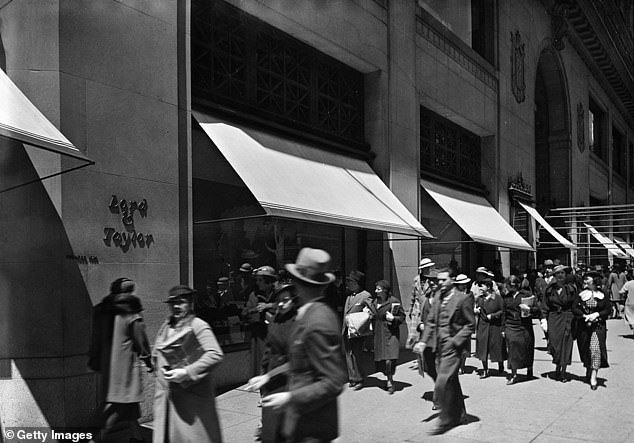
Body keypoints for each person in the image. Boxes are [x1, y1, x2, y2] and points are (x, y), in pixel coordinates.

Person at [261, 248, 346, 443]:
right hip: (300, 422)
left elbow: (334, 381)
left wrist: (290, 398)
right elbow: (302, 364)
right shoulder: (309, 313)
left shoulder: (317, 321)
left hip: (313, 427)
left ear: (298, 283)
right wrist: (269, 377)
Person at [153, 285, 224, 443]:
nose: (176, 307)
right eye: (173, 303)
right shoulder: (167, 324)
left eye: (181, 302)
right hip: (168, 398)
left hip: (191, 400)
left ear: (190, 303)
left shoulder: (198, 325)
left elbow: (215, 354)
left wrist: (186, 372)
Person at [88, 278, 152, 443]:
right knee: (117, 408)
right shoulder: (131, 311)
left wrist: (95, 360)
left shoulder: (102, 310)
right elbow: (141, 341)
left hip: (108, 367)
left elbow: (95, 339)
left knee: (129, 406)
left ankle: (137, 437)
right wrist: (149, 361)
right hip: (125, 369)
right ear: (131, 292)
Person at [420, 271, 475, 435]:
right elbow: (430, 321)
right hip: (439, 346)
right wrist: (423, 341)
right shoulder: (438, 297)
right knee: (451, 380)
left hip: (453, 347)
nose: (440, 282)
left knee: (442, 381)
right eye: (439, 280)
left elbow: (471, 325)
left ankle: (447, 419)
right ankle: (461, 414)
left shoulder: (462, 299)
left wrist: (455, 341)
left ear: (452, 280)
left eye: (444, 280)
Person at [248, 284, 298, 443]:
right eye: (279, 300)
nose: (282, 304)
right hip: (273, 383)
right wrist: (263, 375)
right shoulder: (276, 320)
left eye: (286, 300)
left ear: (294, 301)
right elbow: (269, 352)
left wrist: (267, 376)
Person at [367, 279, 406, 394]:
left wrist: (394, 319)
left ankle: (390, 380)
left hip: (391, 333)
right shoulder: (375, 302)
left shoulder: (393, 301)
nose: (376, 291)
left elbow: (402, 316)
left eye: (378, 289)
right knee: (382, 360)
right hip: (379, 333)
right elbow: (374, 314)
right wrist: (369, 314)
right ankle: (387, 376)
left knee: (390, 358)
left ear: (384, 290)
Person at [573, 273, 610, 390]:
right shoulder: (581, 294)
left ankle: (593, 377)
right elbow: (574, 308)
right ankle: (589, 368)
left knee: (596, 350)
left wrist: (597, 314)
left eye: (587, 278)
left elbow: (607, 309)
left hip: (597, 327)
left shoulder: (603, 294)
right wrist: (583, 315)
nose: (585, 280)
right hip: (584, 327)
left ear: (594, 280)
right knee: (585, 349)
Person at [540, 264, 577, 382]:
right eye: (558, 274)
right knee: (555, 345)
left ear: (565, 275)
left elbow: (575, 305)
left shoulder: (571, 288)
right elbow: (545, 305)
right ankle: (557, 365)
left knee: (566, 344)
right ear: (555, 276)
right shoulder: (550, 289)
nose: (560, 276)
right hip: (554, 318)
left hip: (567, 317)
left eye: (562, 273)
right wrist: (543, 319)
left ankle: (563, 372)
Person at [503, 276, 539, 385]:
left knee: (527, 347)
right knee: (512, 349)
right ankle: (514, 374)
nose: (508, 288)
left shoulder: (526, 295)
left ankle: (529, 368)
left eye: (510, 285)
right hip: (510, 325)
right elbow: (504, 313)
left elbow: (537, 309)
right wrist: (503, 328)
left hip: (524, 325)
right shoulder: (506, 297)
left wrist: (529, 309)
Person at [242, 266, 278, 377]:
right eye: (257, 280)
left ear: (269, 281)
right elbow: (245, 312)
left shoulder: (279, 293)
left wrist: (269, 305)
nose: (257, 283)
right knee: (261, 366)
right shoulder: (254, 295)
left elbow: (289, 305)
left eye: (260, 280)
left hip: (277, 336)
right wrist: (253, 310)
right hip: (260, 336)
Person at [341, 270, 372, 390]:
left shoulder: (365, 295)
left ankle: (360, 378)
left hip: (358, 331)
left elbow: (371, 311)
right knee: (348, 354)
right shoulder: (349, 295)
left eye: (351, 281)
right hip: (346, 329)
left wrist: (366, 313)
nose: (348, 283)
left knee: (356, 354)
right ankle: (352, 378)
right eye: (348, 281)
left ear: (357, 283)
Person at [474, 278, 506, 378]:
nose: (480, 288)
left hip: (495, 326)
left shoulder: (497, 298)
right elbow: (476, 308)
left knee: (497, 346)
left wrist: (493, 316)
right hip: (483, 326)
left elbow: (502, 311)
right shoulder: (479, 299)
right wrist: (476, 310)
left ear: (488, 287)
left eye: (482, 286)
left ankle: (500, 365)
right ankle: (485, 370)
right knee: (483, 347)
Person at [407, 258, 435, 349]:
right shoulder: (416, 280)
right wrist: (411, 310)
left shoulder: (432, 281)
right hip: (417, 309)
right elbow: (413, 295)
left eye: (428, 268)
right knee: (415, 335)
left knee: (425, 334)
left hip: (427, 309)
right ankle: (419, 358)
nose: (427, 270)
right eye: (425, 268)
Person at [453, 274, 474, 374]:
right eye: (461, 284)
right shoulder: (454, 294)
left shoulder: (470, 294)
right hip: (456, 323)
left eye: (465, 283)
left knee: (465, 347)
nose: (463, 285)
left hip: (466, 322)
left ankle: (462, 365)